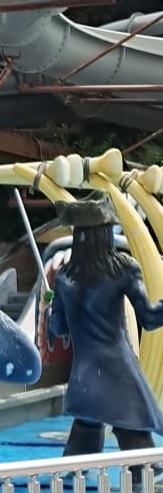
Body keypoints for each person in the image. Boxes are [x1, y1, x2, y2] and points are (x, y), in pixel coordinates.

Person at [47, 192, 163, 462]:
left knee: (81, 448)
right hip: (118, 373)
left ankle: (70, 485)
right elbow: (149, 318)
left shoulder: (64, 277)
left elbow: (60, 328)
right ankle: (141, 485)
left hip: (84, 376)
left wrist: (50, 309)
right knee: (138, 450)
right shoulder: (123, 269)